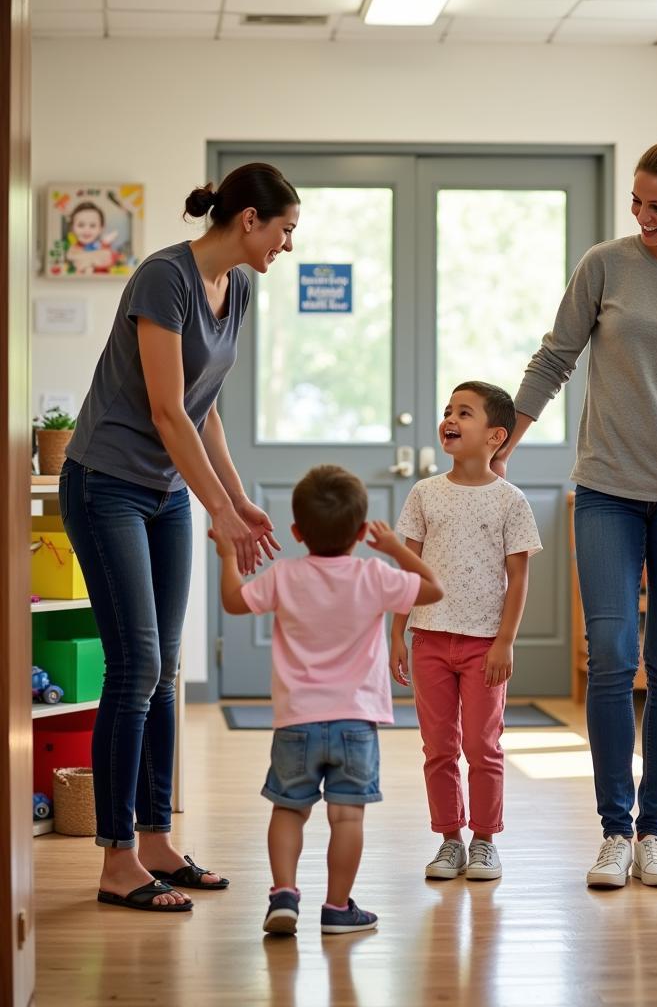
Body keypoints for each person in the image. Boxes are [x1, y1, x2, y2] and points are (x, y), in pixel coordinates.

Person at [498, 127, 657, 888]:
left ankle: (655, 831)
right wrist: (509, 438)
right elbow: (555, 356)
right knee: (612, 657)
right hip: (608, 489)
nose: (643, 216)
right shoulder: (604, 266)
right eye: (636, 203)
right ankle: (614, 831)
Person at [60, 162, 300, 912]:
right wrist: (217, 512)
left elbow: (205, 409)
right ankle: (116, 858)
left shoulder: (242, 288)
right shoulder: (164, 278)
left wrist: (237, 498)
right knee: (133, 669)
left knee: (165, 667)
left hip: (165, 495)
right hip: (106, 484)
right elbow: (166, 411)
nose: (287, 246)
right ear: (250, 220)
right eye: (286, 230)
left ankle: (158, 840)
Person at [212, 464, 443, 935]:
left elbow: (235, 603)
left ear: (297, 532)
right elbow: (434, 590)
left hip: (296, 721)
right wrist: (399, 549)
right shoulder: (375, 575)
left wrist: (226, 555)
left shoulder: (286, 575)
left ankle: (283, 895)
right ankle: (337, 909)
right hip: (356, 723)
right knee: (346, 816)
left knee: (288, 809)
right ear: (361, 533)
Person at [391, 382, 542, 882]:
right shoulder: (424, 494)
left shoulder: (510, 501)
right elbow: (409, 568)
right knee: (438, 746)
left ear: (496, 435)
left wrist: (505, 641)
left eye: (465, 412)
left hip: (485, 645)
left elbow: (519, 576)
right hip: (429, 638)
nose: (450, 419)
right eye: (448, 411)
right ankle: (449, 838)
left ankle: (484, 840)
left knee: (482, 746)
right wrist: (398, 632)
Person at [65, 201, 118, 274]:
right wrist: (95, 257)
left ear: (101, 228)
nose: (87, 230)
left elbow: (108, 258)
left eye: (92, 225)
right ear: (72, 227)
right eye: (81, 225)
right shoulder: (74, 248)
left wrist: (85, 258)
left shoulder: (103, 246)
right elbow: (71, 256)